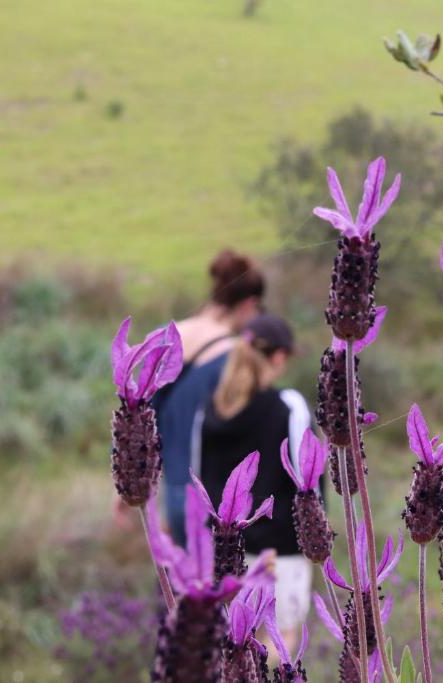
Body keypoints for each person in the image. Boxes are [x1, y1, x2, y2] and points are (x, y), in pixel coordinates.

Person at [195, 313, 313, 656]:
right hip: (281, 549)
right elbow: (309, 481)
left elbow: (198, 481)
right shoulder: (288, 406)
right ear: (278, 357)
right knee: (280, 642)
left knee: (232, 646)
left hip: (223, 552)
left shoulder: (210, 412)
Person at [153, 250, 265, 546]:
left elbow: (141, 411)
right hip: (214, 499)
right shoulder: (236, 355)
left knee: (181, 587)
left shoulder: (167, 336)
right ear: (250, 304)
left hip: (172, 490)